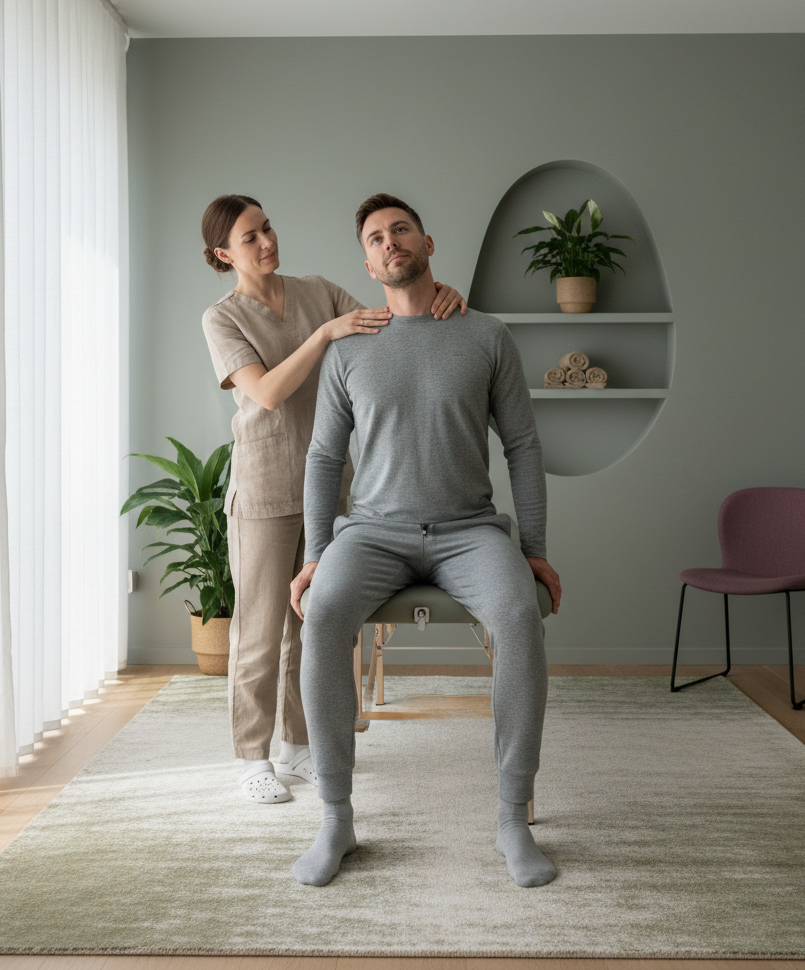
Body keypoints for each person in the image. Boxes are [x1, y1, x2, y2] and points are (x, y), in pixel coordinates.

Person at [289, 193, 562, 887]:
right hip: (372, 533)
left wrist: (533, 546)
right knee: (321, 614)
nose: (390, 243)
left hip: (470, 531)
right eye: (376, 238)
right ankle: (336, 819)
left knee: (520, 616)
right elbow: (323, 459)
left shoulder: (485, 336)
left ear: (428, 243)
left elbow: (524, 447)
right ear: (368, 261)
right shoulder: (348, 348)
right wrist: (317, 552)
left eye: (401, 230)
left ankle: (511, 819)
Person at [200, 194, 466, 805]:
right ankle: (251, 758)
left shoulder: (318, 288)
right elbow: (265, 392)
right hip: (266, 489)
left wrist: (447, 296)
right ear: (224, 254)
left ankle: (299, 746)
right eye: (249, 238)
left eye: (267, 227)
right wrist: (324, 335)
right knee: (261, 632)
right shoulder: (223, 318)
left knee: (314, 623)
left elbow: (395, 318)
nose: (267, 242)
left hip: (331, 488)